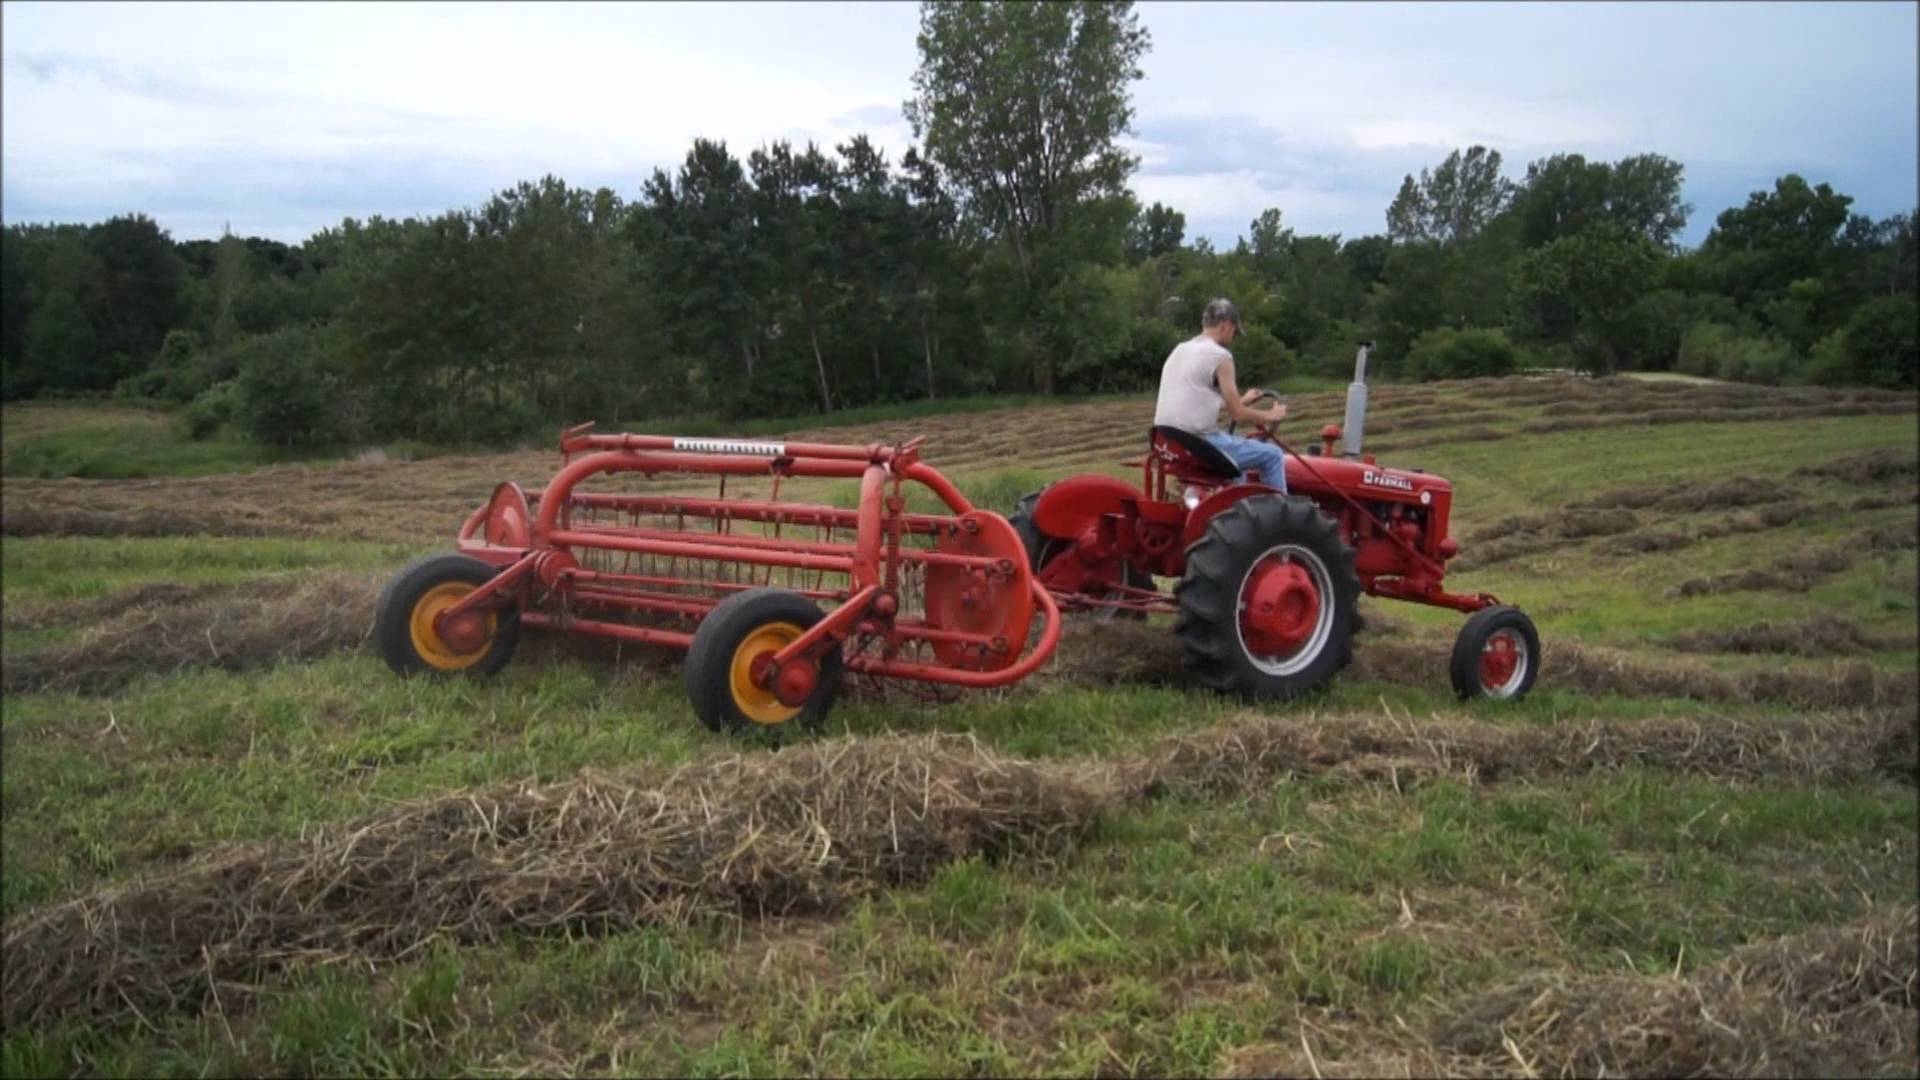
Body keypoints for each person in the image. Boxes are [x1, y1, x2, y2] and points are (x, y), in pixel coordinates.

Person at [1152, 297, 1288, 490]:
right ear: (1226, 326)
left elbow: (1197, 397)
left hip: (1166, 438)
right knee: (1273, 455)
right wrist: (1270, 415)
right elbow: (1237, 414)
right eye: (1234, 332)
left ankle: (1237, 507)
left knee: (1237, 465)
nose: (1233, 337)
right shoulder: (1220, 356)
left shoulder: (1181, 349)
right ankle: (1282, 516)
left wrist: (1243, 401)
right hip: (1197, 441)